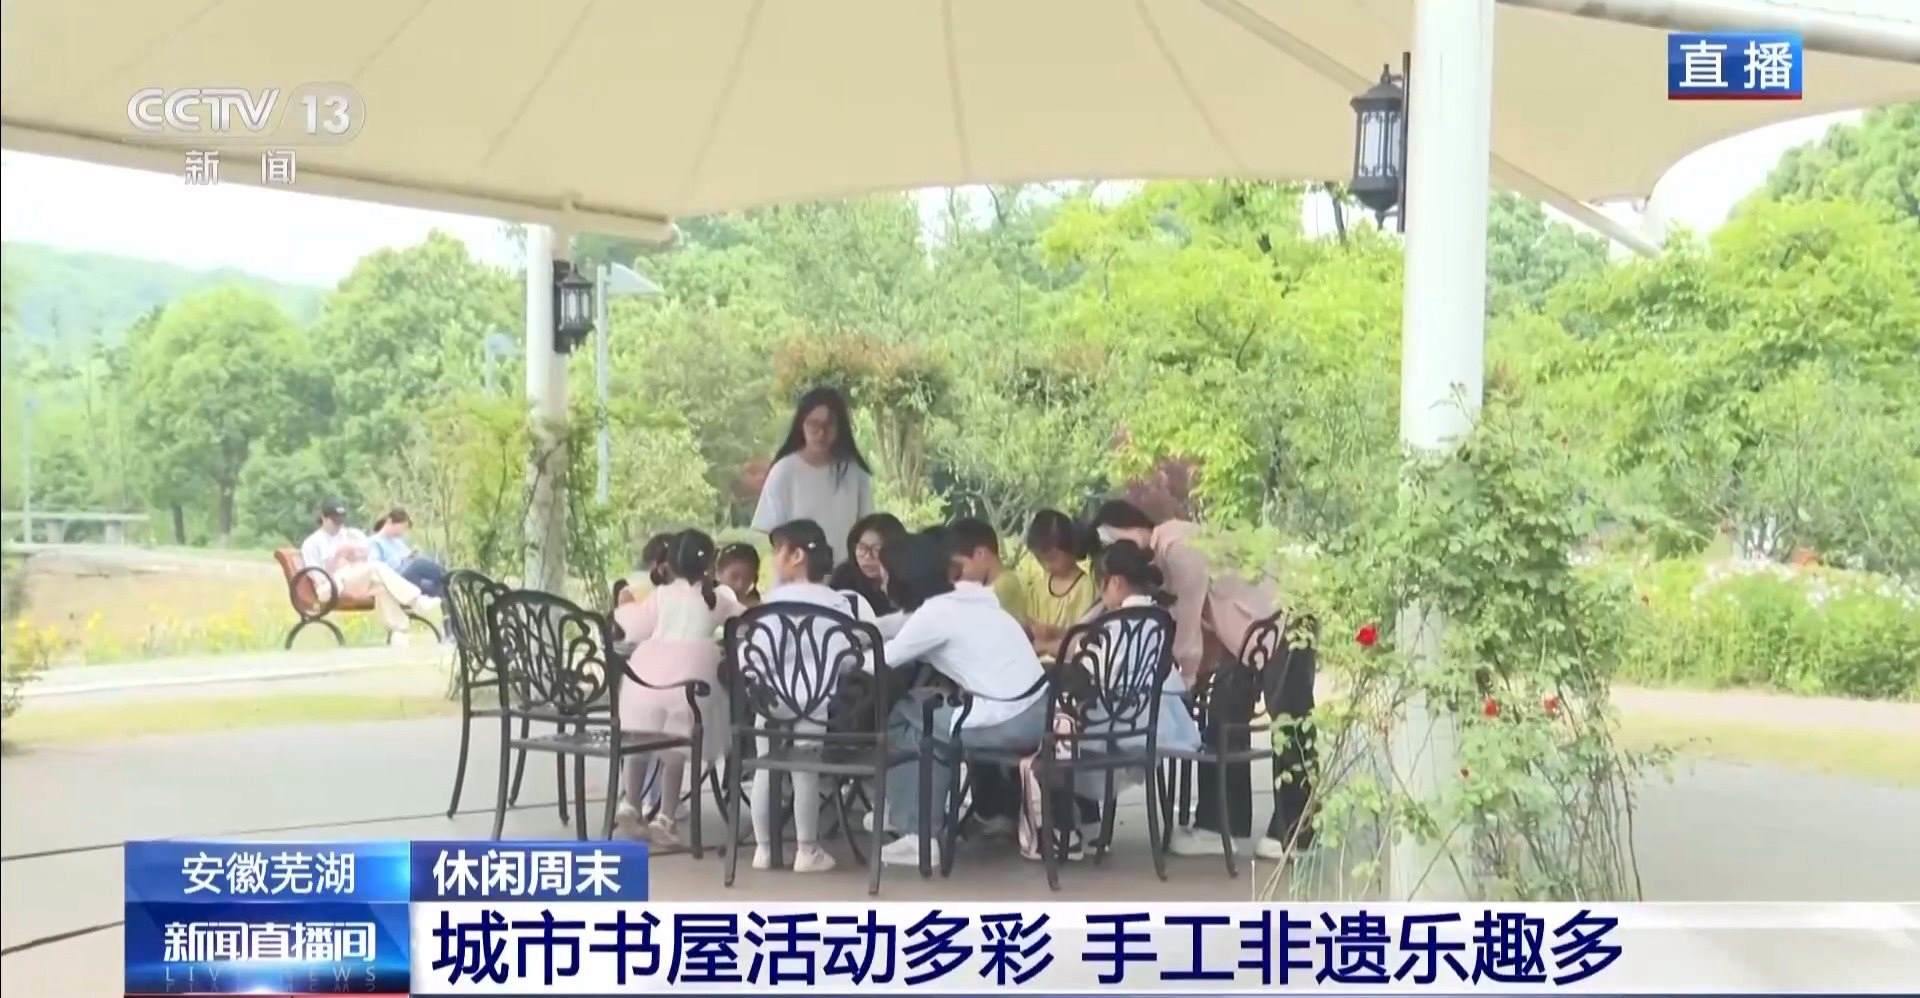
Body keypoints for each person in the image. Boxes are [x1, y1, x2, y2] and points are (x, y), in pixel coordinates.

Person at [1087, 498, 1292, 859]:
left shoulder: (1176, 544)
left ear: (1133, 525)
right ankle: (1220, 826)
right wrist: (1196, 672)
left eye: (1115, 541)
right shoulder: (1164, 559)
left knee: (1291, 722)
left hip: (1282, 622)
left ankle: (1294, 832)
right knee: (1222, 720)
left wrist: (1185, 676)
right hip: (1243, 636)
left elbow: (1188, 617)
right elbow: (1207, 621)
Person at [873, 531, 1048, 867]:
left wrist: (836, 652)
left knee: (907, 716)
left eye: (885, 575)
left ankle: (916, 832)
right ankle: (913, 818)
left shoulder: (936, 614)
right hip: (1038, 712)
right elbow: (904, 622)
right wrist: (865, 626)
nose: (882, 582)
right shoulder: (970, 599)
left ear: (901, 577)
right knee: (926, 718)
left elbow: (882, 662)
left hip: (1007, 721)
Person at [742, 519, 880, 874]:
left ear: (797, 556)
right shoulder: (836, 603)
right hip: (815, 702)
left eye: (778, 551)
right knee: (806, 769)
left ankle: (763, 850)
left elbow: (753, 655)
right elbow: (847, 657)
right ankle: (807, 850)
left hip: (771, 701)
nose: (774, 559)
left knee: (765, 768)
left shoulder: (770, 603)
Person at [612, 530, 744, 847]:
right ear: (711, 564)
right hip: (693, 678)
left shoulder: (661, 595)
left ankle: (630, 802)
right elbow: (746, 624)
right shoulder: (720, 598)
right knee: (677, 749)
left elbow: (636, 628)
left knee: (642, 738)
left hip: (647, 674)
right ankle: (665, 817)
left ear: (669, 564)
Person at [751, 387, 874, 565]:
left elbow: (867, 529)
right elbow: (773, 532)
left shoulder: (854, 473)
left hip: (844, 574)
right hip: (797, 573)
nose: (821, 433)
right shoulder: (784, 470)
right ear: (801, 425)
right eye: (813, 424)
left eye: (829, 425)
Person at [298, 500, 440, 646]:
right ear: (323, 518)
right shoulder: (312, 543)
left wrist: (354, 555)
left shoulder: (348, 535)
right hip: (330, 586)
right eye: (335, 521)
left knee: (382, 587)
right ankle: (416, 601)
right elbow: (317, 576)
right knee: (376, 567)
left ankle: (399, 633)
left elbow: (364, 559)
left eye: (341, 520)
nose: (339, 525)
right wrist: (337, 557)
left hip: (353, 580)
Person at [999, 510, 1099, 659]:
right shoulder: (1038, 588)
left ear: (1070, 548)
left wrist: (1056, 632)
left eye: (1052, 559)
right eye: (1040, 560)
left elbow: (1086, 636)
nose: (1047, 566)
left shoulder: (1088, 588)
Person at [828, 513, 907, 617]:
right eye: (862, 548)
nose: (867, 556)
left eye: (876, 549)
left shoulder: (908, 580)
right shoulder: (844, 576)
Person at [368, 508, 448, 599]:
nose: (403, 532)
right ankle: (447, 575)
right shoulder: (374, 542)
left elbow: (409, 559)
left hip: (410, 578)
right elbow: (375, 567)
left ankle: (448, 594)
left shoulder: (398, 542)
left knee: (438, 585)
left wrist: (412, 556)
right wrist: (402, 559)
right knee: (419, 564)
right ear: (390, 522)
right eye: (403, 527)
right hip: (393, 579)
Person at [715, 543, 763, 609]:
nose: (740, 585)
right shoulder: (704, 606)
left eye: (747, 578)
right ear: (718, 573)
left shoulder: (758, 610)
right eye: (734, 577)